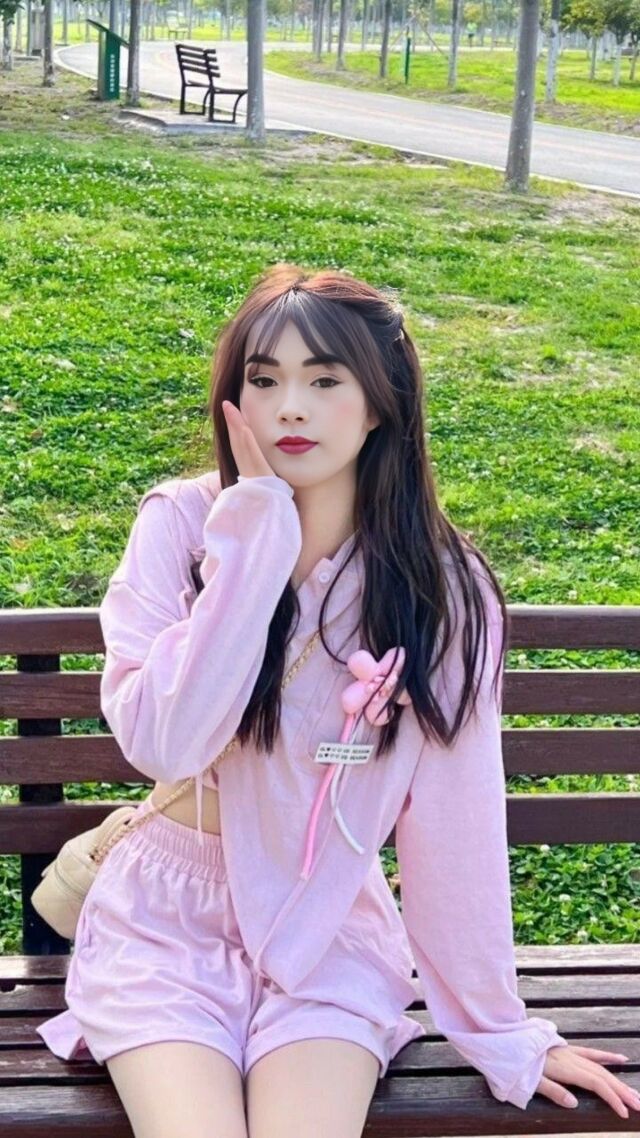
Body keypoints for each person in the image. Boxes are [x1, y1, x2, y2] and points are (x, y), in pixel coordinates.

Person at [36, 264, 638, 1138]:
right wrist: (253, 539)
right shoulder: (179, 525)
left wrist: (500, 1029)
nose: (290, 409)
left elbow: (455, 820)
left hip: (326, 933)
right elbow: (165, 743)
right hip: (164, 928)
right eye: (264, 380)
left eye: (325, 381)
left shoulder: (439, 587)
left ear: (382, 403)